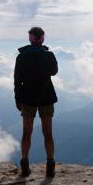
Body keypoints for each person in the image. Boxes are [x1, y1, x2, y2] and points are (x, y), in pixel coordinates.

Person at [14, 26, 58, 177]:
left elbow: (17, 80)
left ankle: (25, 164)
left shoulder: (21, 57)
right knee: (48, 133)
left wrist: (17, 98)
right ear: (42, 38)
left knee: (27, 133)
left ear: (30, 38)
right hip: (46, 97)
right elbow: (54, 71)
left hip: (27, 98)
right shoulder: (48, 55)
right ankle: (50, 165)